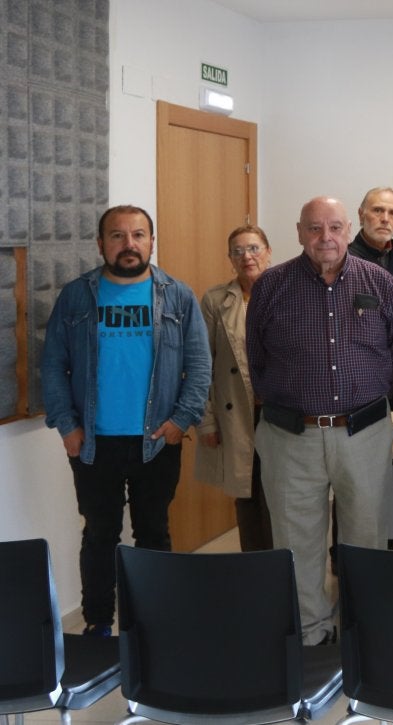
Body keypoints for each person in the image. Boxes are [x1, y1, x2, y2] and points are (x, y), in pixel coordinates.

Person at [41, 204, 212, 637]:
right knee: (99, 534)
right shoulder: (77, 296)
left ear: (151, 241)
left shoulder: (177, 295)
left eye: (138, 235)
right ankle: (98, 623)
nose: (129, 244)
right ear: (101, 244)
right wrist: (67, 426)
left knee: (154, 532)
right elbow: (52, 365)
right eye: (117, 236)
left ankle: (155, 622)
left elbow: (200, 364)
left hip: (156, 438)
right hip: (93, 441)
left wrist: (181, 421)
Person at [247, 196, 393, 646]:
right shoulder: (271, 286)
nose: (325, 238)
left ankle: (362, 630)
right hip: (291, 434)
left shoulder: (379, 281)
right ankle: (310, 635)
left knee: (366, 537)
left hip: (364, 432)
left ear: (349, 229)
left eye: (334, 227)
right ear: (298, 232)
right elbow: (257, 359)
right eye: (314, 229)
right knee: (297, 542)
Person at [194, 224, 274, 552]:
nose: (247, 257)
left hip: (281, 415)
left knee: (282, 495)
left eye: (254, 248)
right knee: (247, 494)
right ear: (230, 258)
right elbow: (201, 364)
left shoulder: (287, 292)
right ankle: (254, 567)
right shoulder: (216, 300)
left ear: (268, 252)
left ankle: (287, 568)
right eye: (238, 251)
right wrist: (207, 421)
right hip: (238, 415)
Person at [348, 186, 393, 406]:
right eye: (377, 210)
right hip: (357, 370)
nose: (385, 219)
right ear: (360, 214)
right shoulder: (343, 260)